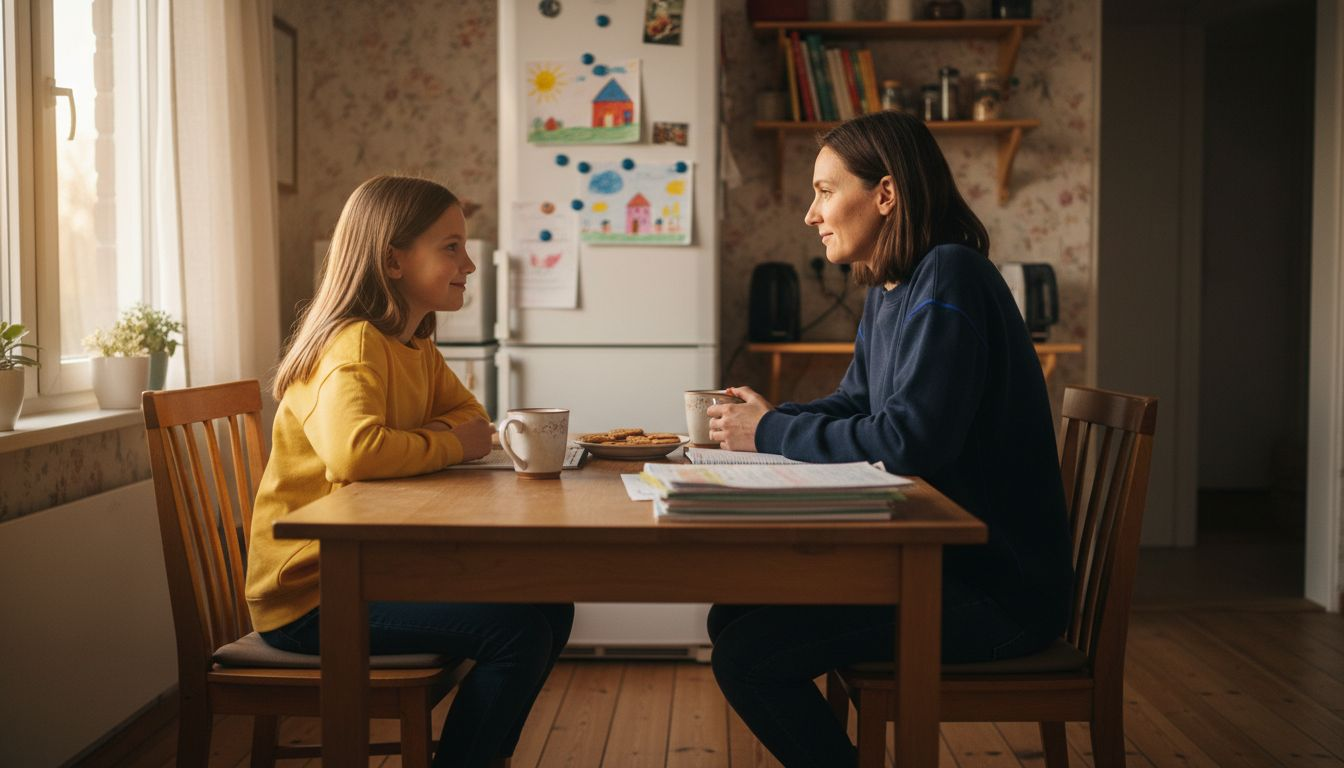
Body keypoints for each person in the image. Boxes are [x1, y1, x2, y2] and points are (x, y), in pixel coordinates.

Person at [704, 111, 1073, 767]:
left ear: (885, 193)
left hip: (996, 593)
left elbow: (908, 441)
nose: (811, 214)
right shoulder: (893, 285)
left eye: (824, 190)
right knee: (732, 612)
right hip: (938, 570)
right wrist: (765, 423)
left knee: (746, 653)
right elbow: (859, 402)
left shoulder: (951, 275)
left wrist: (771, 430)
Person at [246, 175, 573, 768]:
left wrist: (444, 438)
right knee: (518, 635)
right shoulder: (353, 345)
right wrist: (448, 442)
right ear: (393, 258)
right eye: (451, 247)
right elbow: (357, 453)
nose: (470, 264)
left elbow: (471, 417)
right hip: (312, 598)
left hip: (370, 574)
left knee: (551, 606)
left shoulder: (413, 344)